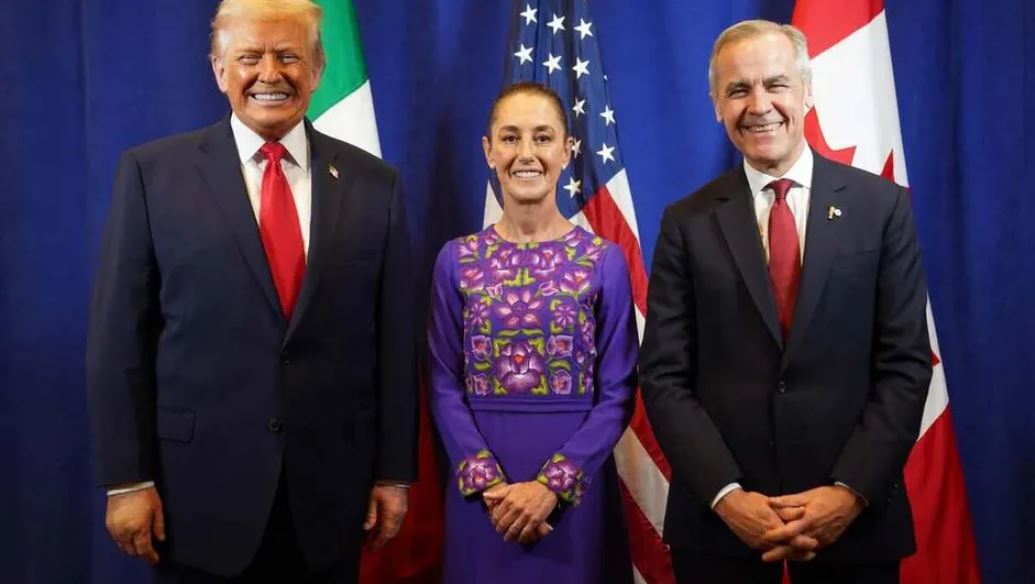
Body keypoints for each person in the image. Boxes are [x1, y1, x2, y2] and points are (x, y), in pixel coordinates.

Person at [86, 0, 417, 581]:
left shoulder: (375, 185)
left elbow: (394, 341)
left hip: (331, 498)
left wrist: (393, 472)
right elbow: (119, 339)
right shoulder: (151, 175)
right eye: (249, 57)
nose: (270, 73)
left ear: (317, 69)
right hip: (195, 498)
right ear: (219, 70)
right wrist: (127, 480)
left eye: (289, 56)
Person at [639, 19, 932, 584]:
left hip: (855, 523)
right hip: (721, 528)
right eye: (737, 90)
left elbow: (905, 365)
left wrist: (849, 492)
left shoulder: (882, 208)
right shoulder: (685, 222)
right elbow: (664, 376)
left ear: (807, 91)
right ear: (716, 105)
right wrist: (727, 497)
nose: (759, 105)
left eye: (775, 84)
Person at [428, 82, 638, 584]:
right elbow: (441, 383)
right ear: (489, 150)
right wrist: (489, 485)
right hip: (483, 499)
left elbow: (618, 394)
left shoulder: (603, 261)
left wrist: (552, 487)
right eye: (510, 137)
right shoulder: (455, 260)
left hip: (574, 497)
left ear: (567, 151)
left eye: (542, 138)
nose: (526, 153)